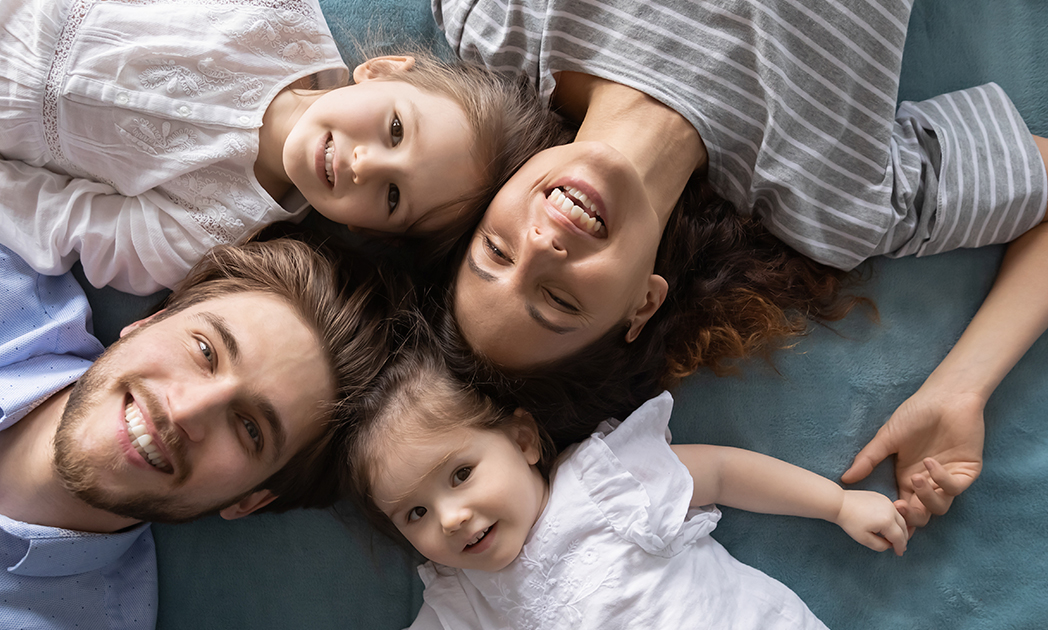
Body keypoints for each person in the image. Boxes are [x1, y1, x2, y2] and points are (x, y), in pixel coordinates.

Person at [434, 0, 1048, 528]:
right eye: (560, 301)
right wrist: (961, 388)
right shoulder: (834, 203)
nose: (542, 246)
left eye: (497, 249)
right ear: (642, 304)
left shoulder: (497, 27)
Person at [0, 151, 395, 628]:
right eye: (205, 351)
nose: (184, 411)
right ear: (147, 321)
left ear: (250, 500)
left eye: (250, 429)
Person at [0, 0, 559, 295]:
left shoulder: (213, 234)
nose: (367, 164)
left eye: (394, 197)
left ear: (367, 229)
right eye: (397, 129)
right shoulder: (277, 11)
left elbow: (48, 217)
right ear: (385, 70)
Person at [344, 343, 908, 629]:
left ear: (522, 441)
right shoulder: (461, 599)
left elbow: (721, 473)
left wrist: (835, 504)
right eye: (414, 513)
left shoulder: (599, 481)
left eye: (461, 475)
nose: (450, 518)